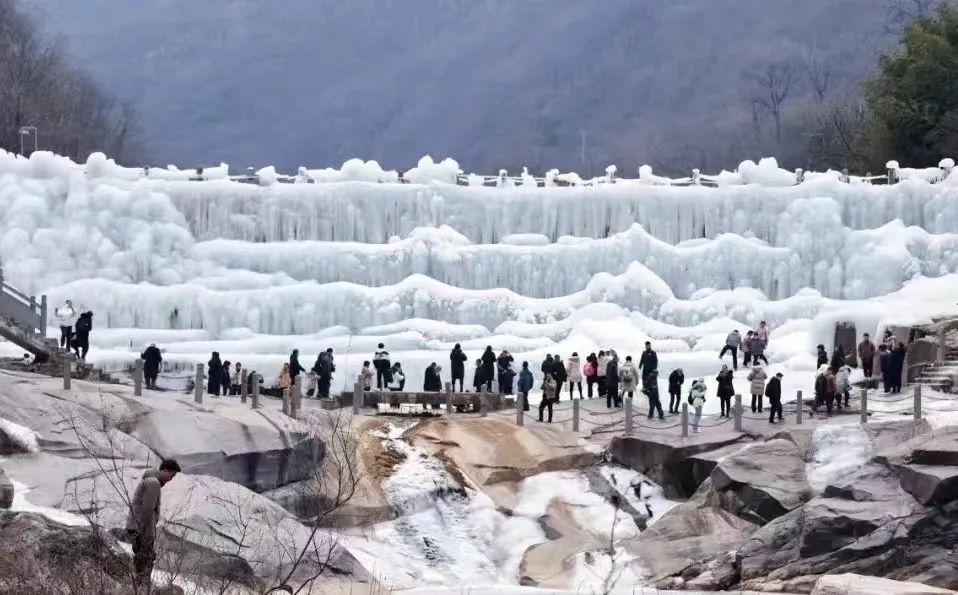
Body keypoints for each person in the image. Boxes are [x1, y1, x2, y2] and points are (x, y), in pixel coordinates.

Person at [126, 458, 181, 586]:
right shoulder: (153, 483)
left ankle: (139, 586)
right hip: (142, 529)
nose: (171, 479)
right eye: (171, 475)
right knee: (146, 559)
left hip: (136, 527)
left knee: (141, 558)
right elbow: (148, 510)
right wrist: (148, 534)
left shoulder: (149, 480)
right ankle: (142, 587)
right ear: (165, 470)